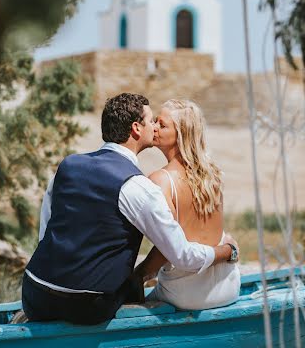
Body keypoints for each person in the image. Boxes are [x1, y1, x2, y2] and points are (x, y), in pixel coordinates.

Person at [22, 93, 239, 325]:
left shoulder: (67, 166)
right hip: (89, 306)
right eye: (151, 120)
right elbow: (182, 255)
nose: (154, 127)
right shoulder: (138, 186)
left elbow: (47, 230)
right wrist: (228, 251)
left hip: (35, 294)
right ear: (137, 128)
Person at [145, 99, 241, 310]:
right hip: (228, 285)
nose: (154, 127)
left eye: (162, 124)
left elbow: (166, 248)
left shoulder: (161, 180)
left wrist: (138, 275)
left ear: (180, 134)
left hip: (187, 294)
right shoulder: (212, 175)